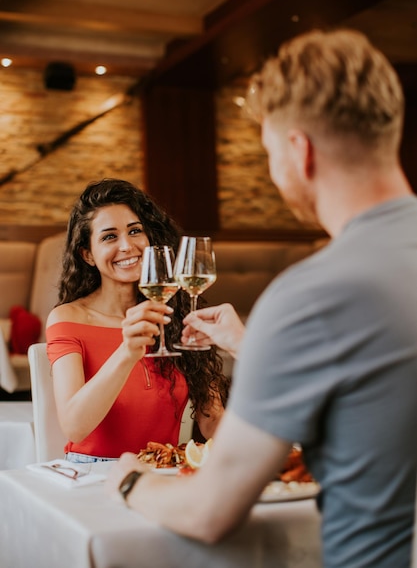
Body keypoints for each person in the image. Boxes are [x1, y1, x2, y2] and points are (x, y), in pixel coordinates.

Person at [105, 29, 417, 568]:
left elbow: (210, 511)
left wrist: (131, 481)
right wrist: (255, 345)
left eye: (270, 151)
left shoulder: (311, 294)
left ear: (300, 150)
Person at [46, 178, 228, 463]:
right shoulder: (68, 317)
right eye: (109, 237)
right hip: (92, 475)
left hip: (163, 468)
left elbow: (212, 420)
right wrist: (127, 352)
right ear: (88, 255)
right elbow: (75, 427)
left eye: (135, 231)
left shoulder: (175, 315)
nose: (127, 246)